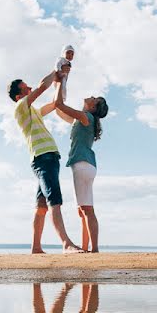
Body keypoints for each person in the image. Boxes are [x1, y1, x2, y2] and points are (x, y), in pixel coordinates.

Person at [8, 71, 83, 254]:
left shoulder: (34, 111)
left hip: (48, 157)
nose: (30, 88)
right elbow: (42, 86)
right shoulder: (20, 107)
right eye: (26, 88)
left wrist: (60, 82)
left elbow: (55, 105)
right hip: (44, 157)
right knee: (54, 200)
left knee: (41, 207)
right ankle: (66, 243)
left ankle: (36, 247)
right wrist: (56, 70)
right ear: (19, 96)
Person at [53, 81, 108, 252]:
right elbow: (58, 110)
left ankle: (95, 249)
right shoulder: (82, 119)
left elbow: (58, 104)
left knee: (87, 210)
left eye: (94, 98)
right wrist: (59, 86)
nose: (91, 96)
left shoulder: (86, 117)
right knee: (84, 210)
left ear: (92, 107)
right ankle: (87, 247)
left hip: (83, 165)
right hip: (87, 166)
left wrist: (61, 80)